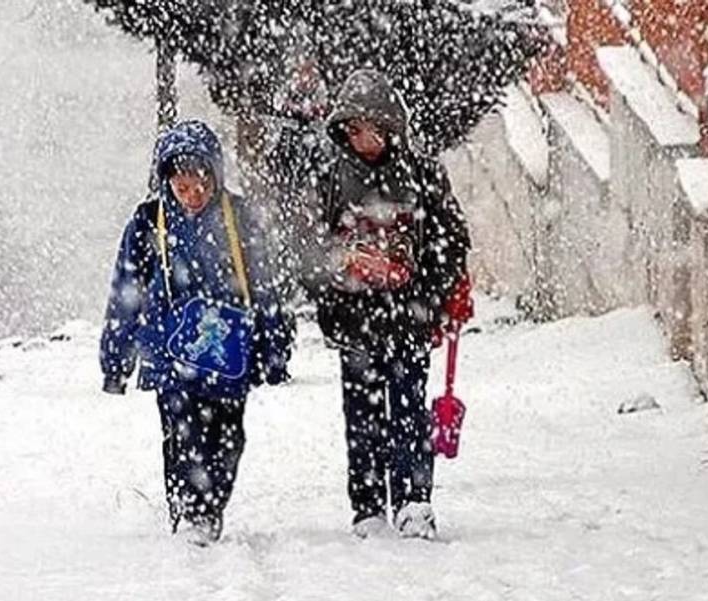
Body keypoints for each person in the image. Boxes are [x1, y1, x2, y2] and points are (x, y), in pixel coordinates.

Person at [100, 120, 293, 546]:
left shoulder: (238, 218)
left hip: (228, 353)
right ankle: (189, 511)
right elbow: (125, 291)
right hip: (169, 353)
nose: (192, 196)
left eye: (200, 185)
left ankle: (210, 505)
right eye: (182, 187)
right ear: (167, 182)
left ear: (215, 177)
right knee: (181, 432)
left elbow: (264, 285)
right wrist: (116, 359)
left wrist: (275, 346)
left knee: (227, 437)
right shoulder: (149, 222)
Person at [307, 69, 473, 540]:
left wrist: (431, 293)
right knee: (361, 415)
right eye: (355, 130)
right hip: (355, 319)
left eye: (375, 130)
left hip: (409, 317)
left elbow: (450, 237)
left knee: (408, 410)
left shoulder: (420, 172)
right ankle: (367, 506)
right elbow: (310, 244)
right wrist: (337, 280)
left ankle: (414, 500)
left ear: (392, 128)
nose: (366, 140)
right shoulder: (330, 177)